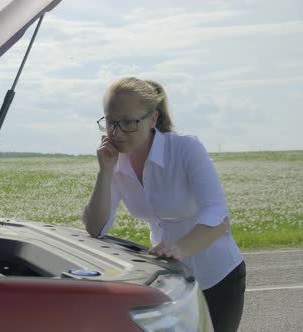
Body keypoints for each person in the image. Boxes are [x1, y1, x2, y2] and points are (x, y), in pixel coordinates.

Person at [82, 77, 246, 332]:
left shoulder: (185, 148)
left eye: (128, 122)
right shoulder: (115, 163)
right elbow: (95, 228)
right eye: (111, 122)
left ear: (153, 119)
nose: (116, 132)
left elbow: (217, 214)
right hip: (171, 279)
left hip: (218, 276)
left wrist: (180, 247)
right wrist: (105, 172)